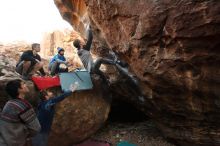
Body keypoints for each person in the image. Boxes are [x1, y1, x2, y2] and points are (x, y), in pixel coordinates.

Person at [0, 79, 41, 146]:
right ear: (19, 90)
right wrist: (23, 134)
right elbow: (36, 128)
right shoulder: (23, 105)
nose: (26, 85)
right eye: (23, 84)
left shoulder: (9, 103)